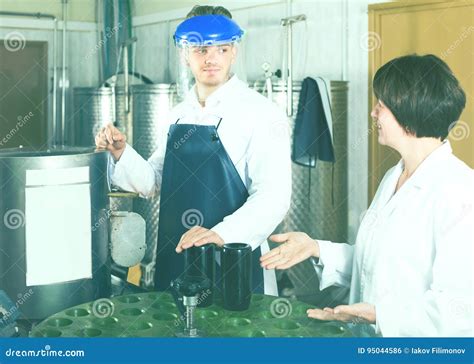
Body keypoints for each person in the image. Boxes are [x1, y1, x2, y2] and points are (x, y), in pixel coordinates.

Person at [261, 54, 473, 336]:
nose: (374, 113)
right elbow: (377, 263)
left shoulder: (458, 190)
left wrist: (378, 315)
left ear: (407, 110)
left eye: (381, 105)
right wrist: (316, 248)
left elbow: (459, 309)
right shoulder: (394, 176)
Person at [95, 5, 291, 296]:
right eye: (200, 49)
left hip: (235, 257)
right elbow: (155, 182)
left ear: (234, 51)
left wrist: (221, 234)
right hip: (179, 255)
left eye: (221, 49)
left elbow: (273, 197)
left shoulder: (261, 113)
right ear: (185, 55)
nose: (211, 58)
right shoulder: (177, 115)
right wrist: (122, 153)